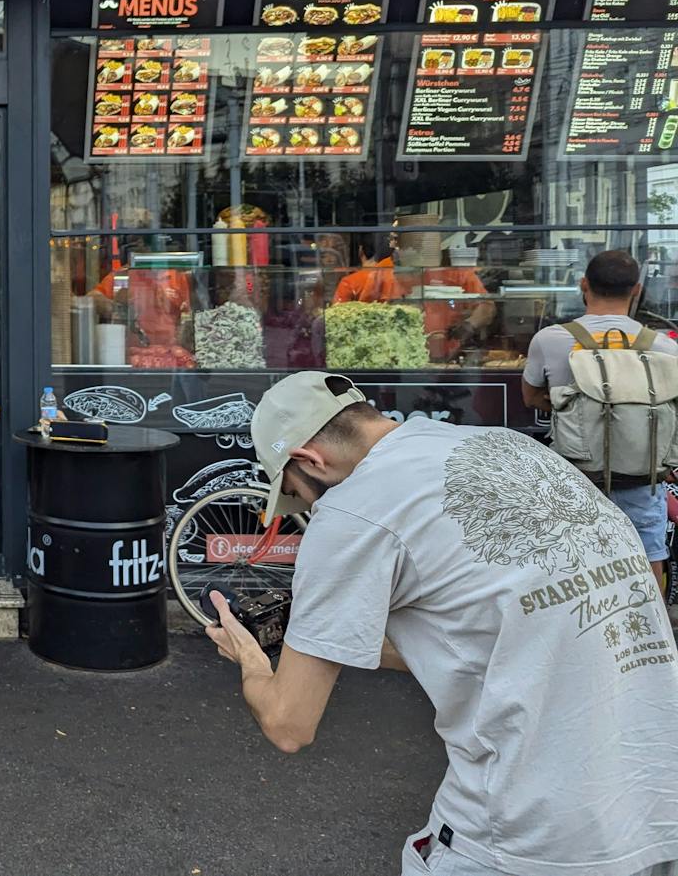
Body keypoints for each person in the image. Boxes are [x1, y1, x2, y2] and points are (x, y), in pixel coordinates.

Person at [208, 370, 678, 875]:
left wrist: (252, 661)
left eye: (300, 494)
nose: (309, 505)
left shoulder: (353, 510)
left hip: (529, 828)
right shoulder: (501, 445)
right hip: (655, 794)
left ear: (308, 460)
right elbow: (490, 633)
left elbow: (288, 724)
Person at [522, 249, 678, 587]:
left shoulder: (550, 339)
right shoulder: (665, 348)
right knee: (647, 556)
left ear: (583, 285)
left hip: (575, 475)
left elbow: (531, 397)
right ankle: (651, 629)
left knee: (572, 560)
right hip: (642, 478)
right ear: (636, 290)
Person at [331, 227, 494, 359]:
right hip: (400, 358)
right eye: (395, 241)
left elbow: (487, 306)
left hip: (452, 356)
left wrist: (468, 326)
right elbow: (360, 317)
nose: (395, 246)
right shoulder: (379, 273)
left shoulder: (456, 273)